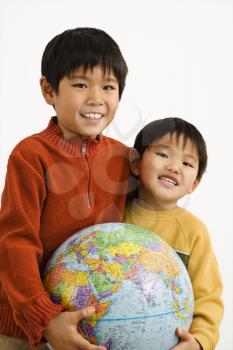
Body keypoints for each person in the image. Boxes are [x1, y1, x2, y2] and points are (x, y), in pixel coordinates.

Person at [0, 27, 131, 350]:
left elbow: (153, 220)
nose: (96, 99)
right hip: (22, 328)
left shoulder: (124, 158)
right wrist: (44, 319)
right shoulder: (31, 156)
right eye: (81, 84)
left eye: (108, 87)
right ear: (49, 90)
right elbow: (15, 242)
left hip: (93, 327)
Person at [124, 117, 223, 350]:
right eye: (163, 155)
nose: (174, 167)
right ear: (136, 162)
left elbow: (208, 297)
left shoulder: (193, 232)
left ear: (194, 184)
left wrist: (200, 341)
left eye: (187, 164)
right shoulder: (111, 216)